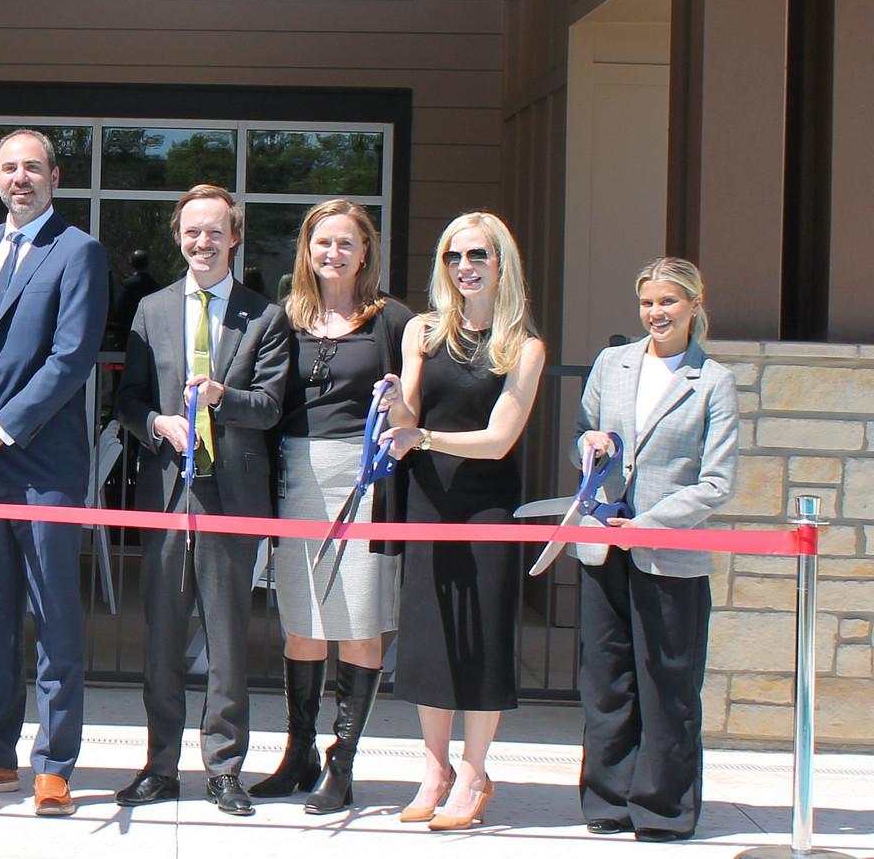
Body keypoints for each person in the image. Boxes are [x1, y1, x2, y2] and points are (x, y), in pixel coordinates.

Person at [0, 129, 107, 817]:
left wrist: (1, 434)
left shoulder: (79, 252)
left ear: (55, 178)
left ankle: (55, 762)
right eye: (9, 168)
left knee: (55, 617)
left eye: (33, 167)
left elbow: (70, 360)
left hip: (42, 463)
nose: (20, 178)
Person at [111, 184, 287, 816]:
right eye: (192, 232)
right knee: (160, 637)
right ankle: (160, 767)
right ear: (178, 237)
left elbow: (268, 408)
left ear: (234, 236)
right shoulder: (152, 310)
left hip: (230, 494)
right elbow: (126, 401)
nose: (202, 243)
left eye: (215, 232)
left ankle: (224, 770)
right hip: (166, 489)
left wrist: (219, 398)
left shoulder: (263, 316)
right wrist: (159, 423)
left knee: (228, 639)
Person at [378, 211, 545, 831]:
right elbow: (408, 416)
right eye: (453, 256)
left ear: (502, 263)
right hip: (429, 499)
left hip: (487, 504)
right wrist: (396, 406)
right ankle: (435, 769)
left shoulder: (524, 346)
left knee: (480, 640)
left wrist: (421, 435)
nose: (464, 268)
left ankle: (474, 773)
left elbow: (500, 439)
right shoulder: (423, 331)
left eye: (477, 255)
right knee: (427, 637)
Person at [254, 199, 411, 812]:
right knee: (303, 624)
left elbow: (413, 408)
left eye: (347, 243)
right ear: (307, 249)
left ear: (365, 251)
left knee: (361, 624)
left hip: (368, 478)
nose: (333, 253)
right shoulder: (284, 317)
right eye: (323, 242)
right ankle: (297, 753)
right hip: (298, 475)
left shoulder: (393, 320)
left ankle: (340, 763)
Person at [574, 258, 737, 843]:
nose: (656, 313)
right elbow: (582, 437)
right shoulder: (611, 364)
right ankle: (609, 801)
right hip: (603, 547)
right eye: (648, 302)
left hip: (667, 553)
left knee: (667, 682)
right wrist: (587, 446)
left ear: (694, 305)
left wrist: (645, 522)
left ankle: (663, 810)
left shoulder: (712, 380)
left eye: (669, 301)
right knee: (607, 679)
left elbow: (716, 483)